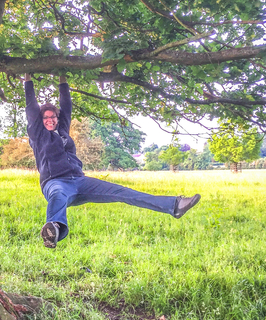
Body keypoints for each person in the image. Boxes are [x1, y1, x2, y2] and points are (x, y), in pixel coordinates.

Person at [25, 74, 201, 248]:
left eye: (52, 117)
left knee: (122, 192)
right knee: (58, 195)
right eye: (45, 117)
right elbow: (31, 108)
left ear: (57, 118)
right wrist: (28, 80)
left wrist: (63, 80)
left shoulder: (62, 130)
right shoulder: (38, 135)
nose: (49, 120)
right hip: (55, 182)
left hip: (79, 181)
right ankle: (53, 229)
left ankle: (175, 205)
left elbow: (66, 106)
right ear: (40, 121)